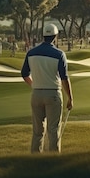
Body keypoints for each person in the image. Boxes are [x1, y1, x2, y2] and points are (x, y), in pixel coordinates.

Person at [21, 24, 73, 153]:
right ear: (55, 36)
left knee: (37, 131)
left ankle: (35, 159)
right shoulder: (59, 54)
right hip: (53, 94)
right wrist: (70, 98)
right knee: (53, 129)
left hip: (36, 94)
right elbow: (64, 78)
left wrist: (34, 85)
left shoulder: (31, 52)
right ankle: (53, 159)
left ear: (43, 35)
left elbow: (24, 74)